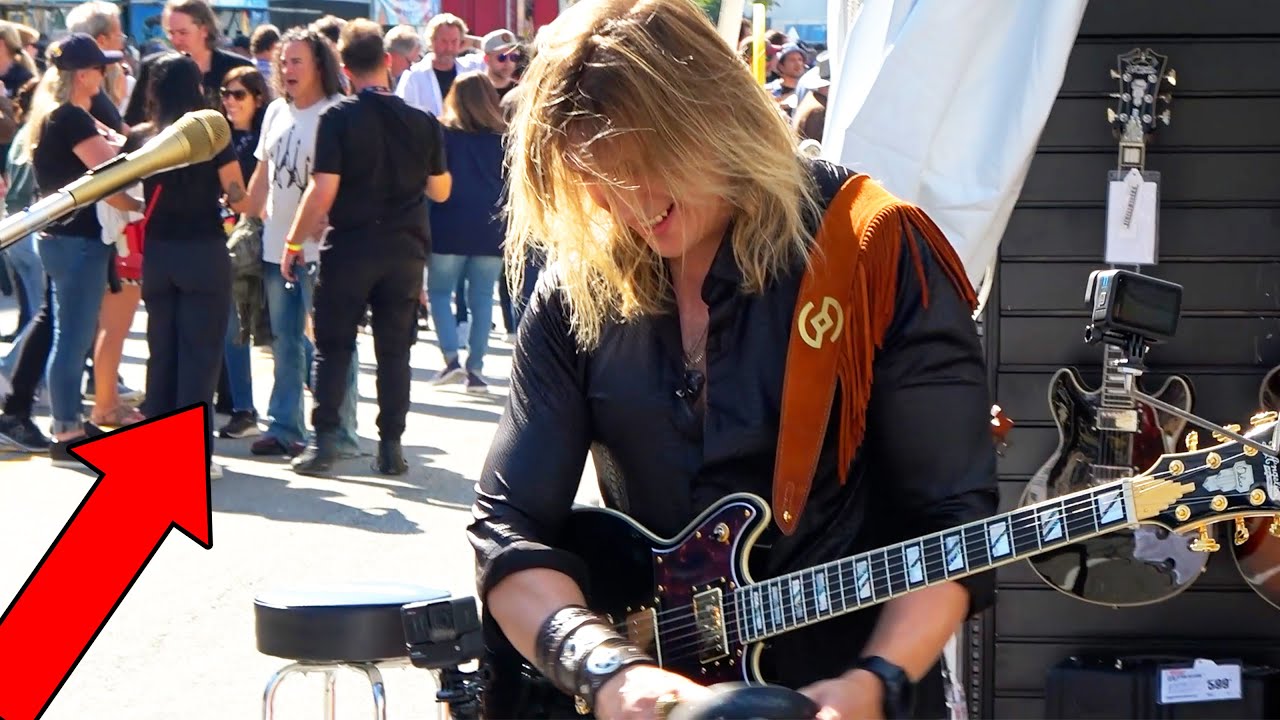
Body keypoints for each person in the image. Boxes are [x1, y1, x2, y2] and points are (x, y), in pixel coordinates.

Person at [467, 2, 998, 720]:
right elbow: (508, 527)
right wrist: (607, 670)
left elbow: (951, 524)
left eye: (644, 166)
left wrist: (876, 680)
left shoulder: (872, 249)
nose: (627, 204)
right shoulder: (576, 286)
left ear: (712, 115)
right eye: (597, 180)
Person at [283, 19, 450, 476]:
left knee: (333, 347)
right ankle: (391, 448)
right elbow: (441, 191)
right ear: (388, 63)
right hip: (405, 248)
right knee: (395, 351)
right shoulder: (422, 122)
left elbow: (323, 191)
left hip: (351, 246)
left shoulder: (337, 118)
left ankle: (323, 446)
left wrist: (294, 241)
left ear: (344, 68)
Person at [23, 33, 142, 463]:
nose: (107, 72)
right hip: (76, 240)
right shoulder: (70, 117)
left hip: (62, 238)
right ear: (85, 74)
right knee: (73, 338)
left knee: (69, 334)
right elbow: (107, 176)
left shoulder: (59, 114)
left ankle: (68, 421)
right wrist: (140, 206)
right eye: (100, 67)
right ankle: (67, 431)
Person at [128, 52, 246, 478]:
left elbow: (118, 192)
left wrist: (140, 207)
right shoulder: (212, 132)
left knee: (162, 352)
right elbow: (238, 195)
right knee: (200, 356)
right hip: (204, 251)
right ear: (196, 87)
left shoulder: (142, 137)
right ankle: (193, 455)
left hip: (159, 253)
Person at [244, 26, 358, 459]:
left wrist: (333, 215)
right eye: (283, 62)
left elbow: (353, 179)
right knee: (284, 340)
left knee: (329, 342)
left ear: (319, 67)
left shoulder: (339, 112)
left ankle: (340, 430)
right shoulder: (275, 111)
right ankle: (283, 425)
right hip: (277, 245)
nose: (287, 70)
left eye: (297, 62)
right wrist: (243, 217)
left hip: (323, 249)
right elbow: (261, 175)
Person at [426, 72, 505, 393]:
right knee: (482, 298)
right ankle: (476, 368)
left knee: (441, 293)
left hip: (449, 224)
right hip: (491, 228)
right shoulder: (506, 138)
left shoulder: (443, 135)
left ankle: (450, 359)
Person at [217, 65, 269, 439]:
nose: (229, 101)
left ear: (257, 98)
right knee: (234, 327)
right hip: (228, 243)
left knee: (283, 330)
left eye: (238, 95)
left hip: (262, 238)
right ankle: (243, 407)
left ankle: (322, 403)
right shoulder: (220, 138)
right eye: (225, 94)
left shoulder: (264, 138)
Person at [123, 0, 251, 127]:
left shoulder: (237, 67)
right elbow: (134, 120)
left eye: (183, 33)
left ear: (204, 30)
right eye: (171, 33)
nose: (176, 40)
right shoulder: (153, 68)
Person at [394, 12, 483, 117]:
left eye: (454, 41)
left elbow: (499, 51)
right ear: (432, 40)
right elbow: (402, 114)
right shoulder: (414, 76)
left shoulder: (471, 68)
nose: (449, 48)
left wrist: (474, 42)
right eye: (444, 41)